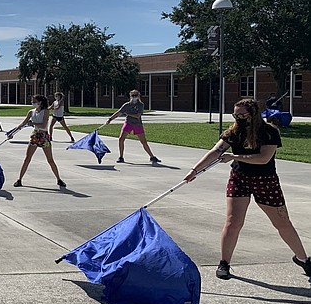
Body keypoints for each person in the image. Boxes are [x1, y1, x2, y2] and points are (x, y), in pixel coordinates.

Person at [184, 98, 311, 280]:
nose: (239, 118)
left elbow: (263, 158)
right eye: (236, 115)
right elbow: (216, 151)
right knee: (233, 222)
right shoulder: (233, 131)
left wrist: (234, 156)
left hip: (265, 180)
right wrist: (194, 170)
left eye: (242, 115)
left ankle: (303, 259)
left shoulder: (269, 132)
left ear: (254, 114)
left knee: (282, 223)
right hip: (239, 179)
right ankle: (224, 263)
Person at [8, 94, 66, 188]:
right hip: (35, 135)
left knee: (50, 160)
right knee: (27, 158)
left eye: (34, 101)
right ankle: (19, 179)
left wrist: (32, 123)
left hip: (43, 136)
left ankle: (59, 179)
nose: (33, 103)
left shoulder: (46, 111)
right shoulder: (31, 112)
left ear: (40, 102)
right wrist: (12, 133)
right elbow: (23, 123)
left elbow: (43, 125)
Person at [106, 90, 159, 164]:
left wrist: (128, 114)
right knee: (121, 139)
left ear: (138, 96)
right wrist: (110, 119)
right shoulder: (126, 105)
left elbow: (137, 116)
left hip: (137, 124)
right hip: (128, 123)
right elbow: (119, 112)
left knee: (143, 141)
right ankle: (121, 157)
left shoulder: (140, 105)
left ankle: (152, 156)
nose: (134, 97)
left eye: (136, 95)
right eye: (133, 96)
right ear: (130, 96)